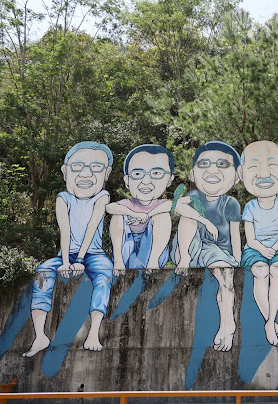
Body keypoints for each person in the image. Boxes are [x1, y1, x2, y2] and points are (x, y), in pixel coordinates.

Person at [24, 141, 114, 357]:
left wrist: (80, 260)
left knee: (104, 274)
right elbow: (65, 231)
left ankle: (94, 332)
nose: (86, 173)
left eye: (96, 167)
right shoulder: (63, 198)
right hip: (67, 253)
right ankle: (40, 335)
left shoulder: (102, 196)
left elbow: (92, 227)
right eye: (78, 166)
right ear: (65, 171)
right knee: (43, 271)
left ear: (107, 173)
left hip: (93, 254)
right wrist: (65, 261)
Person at [171, 141, 242, 352]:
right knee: (189, 216)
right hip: (189, 248)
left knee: (225, 280)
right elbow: (178, 207)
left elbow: (235, 235)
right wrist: (205, 221)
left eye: (222, 164)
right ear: (193, 174)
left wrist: (237, 260)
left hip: (216, 252)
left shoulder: (231, 203)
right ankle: (185, 259)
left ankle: (227, 325)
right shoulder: (193, 196)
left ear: (237, 176)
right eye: (204, 164)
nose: (212, 170)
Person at [239, 140, 278, 347]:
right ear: (241, 173)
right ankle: (271, 322)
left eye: (272, 165)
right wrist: (263, 249)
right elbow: (250, 238)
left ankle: (270, 323)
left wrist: (274, 249)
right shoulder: (250, 206)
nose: (263, 174)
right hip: (255, 249)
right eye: (253, 166)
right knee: (260, 271)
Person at [107, 144, 175, 274]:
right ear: (127, 180)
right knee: (118, 215)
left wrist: (147, 215)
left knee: (162, 215)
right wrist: (135, 214)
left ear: (169, 180)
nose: (146, 181)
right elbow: (110, 207)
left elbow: (171, 205)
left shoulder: (162, 204)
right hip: (127, 251)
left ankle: (153, 263)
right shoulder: (127, 203)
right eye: (137, 174)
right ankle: (118, 262)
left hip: (151, 252)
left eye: (156, 173)